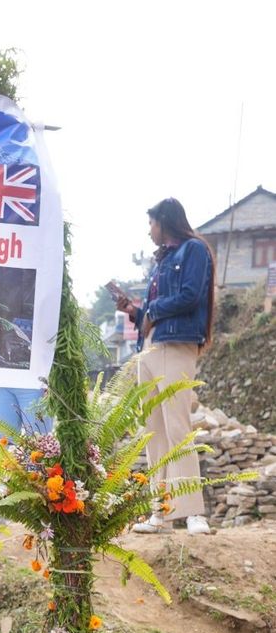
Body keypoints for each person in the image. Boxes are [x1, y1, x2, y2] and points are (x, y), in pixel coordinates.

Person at [116, 198, 215, 535]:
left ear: (164, 221)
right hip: (152, 345)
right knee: (154, 433)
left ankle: (192, 513)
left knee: (177, 427)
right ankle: (161, 513)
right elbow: (152, 313)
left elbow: (190, 296)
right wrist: (134, 310)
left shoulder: (194, 250)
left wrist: (153, 309)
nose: (149, 231)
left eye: (151, 224)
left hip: (177, 345)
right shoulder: (161, 263)